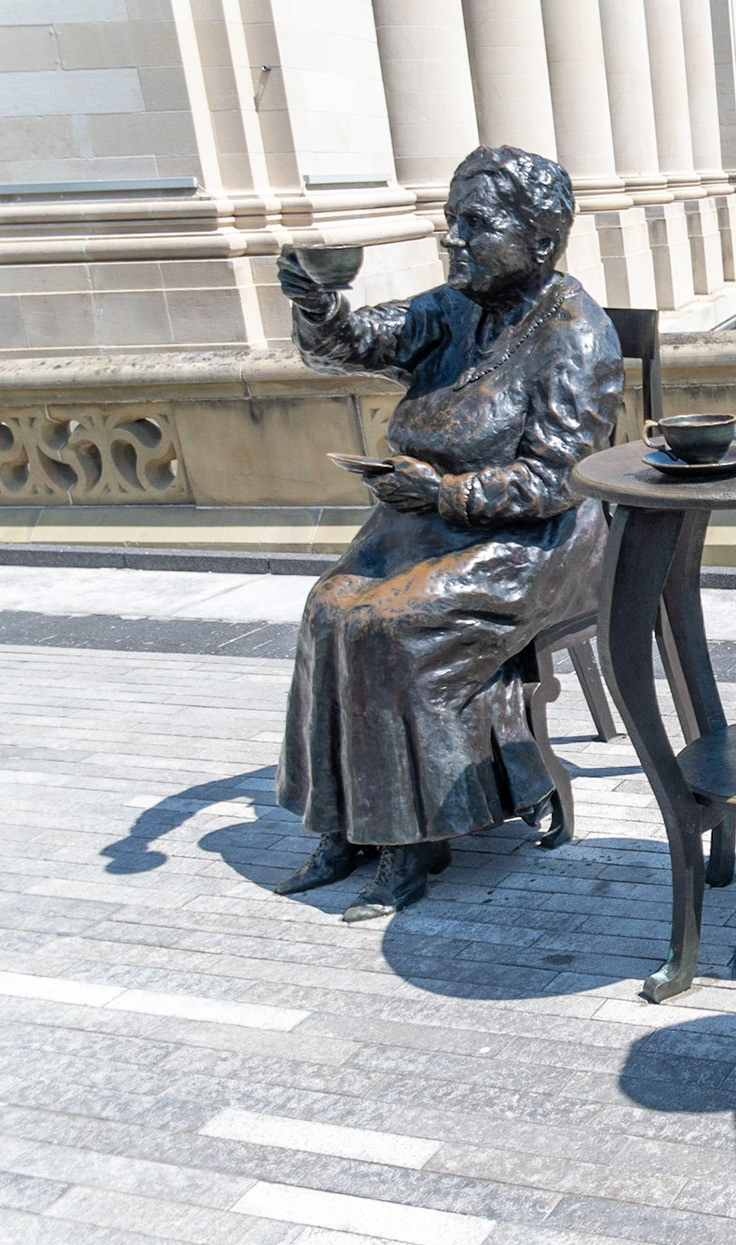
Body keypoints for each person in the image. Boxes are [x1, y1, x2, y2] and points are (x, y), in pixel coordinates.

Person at [272, 146, 622, 921]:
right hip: (422, 525)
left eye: (474, 223)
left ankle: (414, 840)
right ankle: (344, 824)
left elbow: (560, 479)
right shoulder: (454, 306)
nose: (452, 238)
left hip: (539, 540)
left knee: (395, 625)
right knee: (328, 607)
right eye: (450, 220)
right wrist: (317, 304)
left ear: (539, 240)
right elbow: (352, 344)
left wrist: (446, 491)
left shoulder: (576, 333)